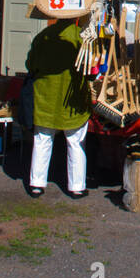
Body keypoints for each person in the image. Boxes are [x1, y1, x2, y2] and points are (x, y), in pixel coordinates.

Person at [20, 14, 91, 198]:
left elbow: (31, 64)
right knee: (75, 142)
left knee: (42, 140)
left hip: (46, 95)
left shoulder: (43, 35)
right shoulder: (81, 36)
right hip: (73, 97)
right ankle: (77, 186)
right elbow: (91, 67)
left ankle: (37, 183)